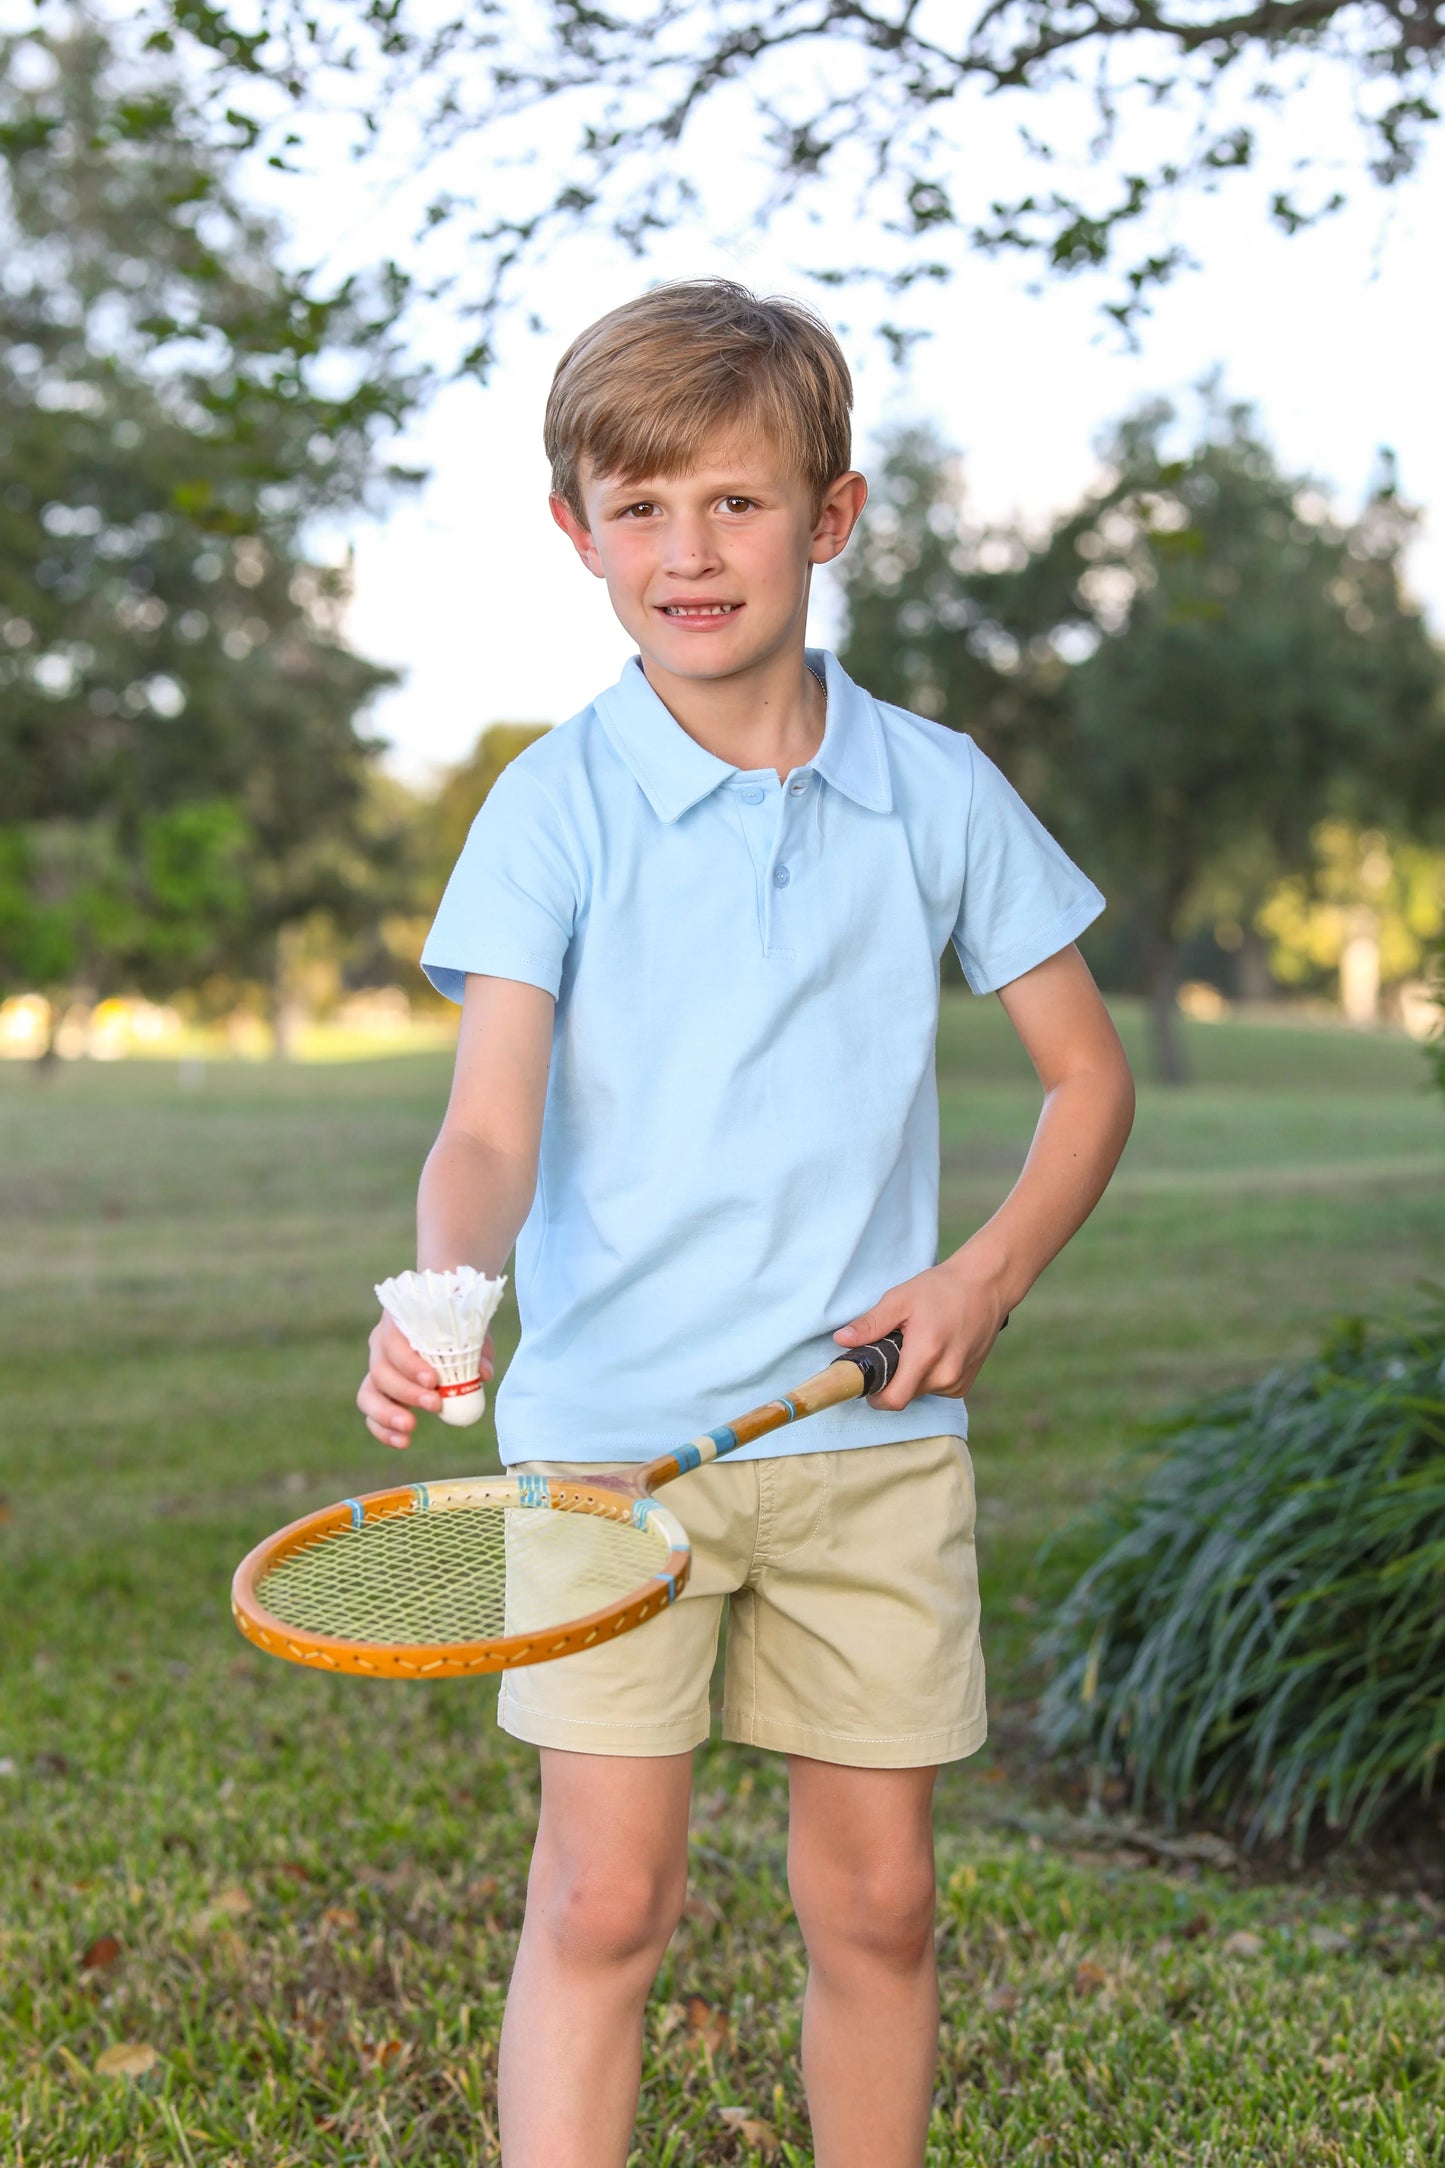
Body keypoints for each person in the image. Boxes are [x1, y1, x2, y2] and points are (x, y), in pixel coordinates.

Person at [357, 279, 1135, 2168]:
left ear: (832, 515)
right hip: (611, 1454)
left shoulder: (933, 789)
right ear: (577, 535)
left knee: (877, 1906)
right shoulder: (552, 810)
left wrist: (980, 1278)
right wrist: (446, 1286)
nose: (687, 552)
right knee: (602, 1904)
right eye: (639, 509)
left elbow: (1083, 1082)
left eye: (735, 502)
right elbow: (487, 1128)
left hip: (867, 1445)